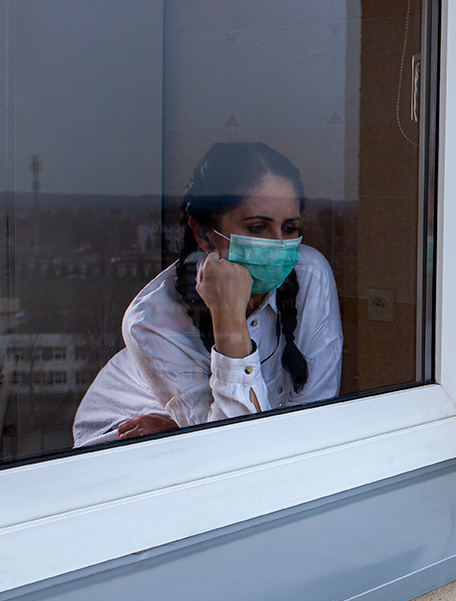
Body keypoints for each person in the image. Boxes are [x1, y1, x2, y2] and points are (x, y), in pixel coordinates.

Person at [73, 142, 343, 446]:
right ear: (203, 234)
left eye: (290, 228)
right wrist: (229, 319)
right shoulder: (152, 320)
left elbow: (315, 417)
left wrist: (183, 431)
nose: (279, 245)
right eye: (258, 228)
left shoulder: (310, 274)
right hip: (119, 445)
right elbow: (231, 448)